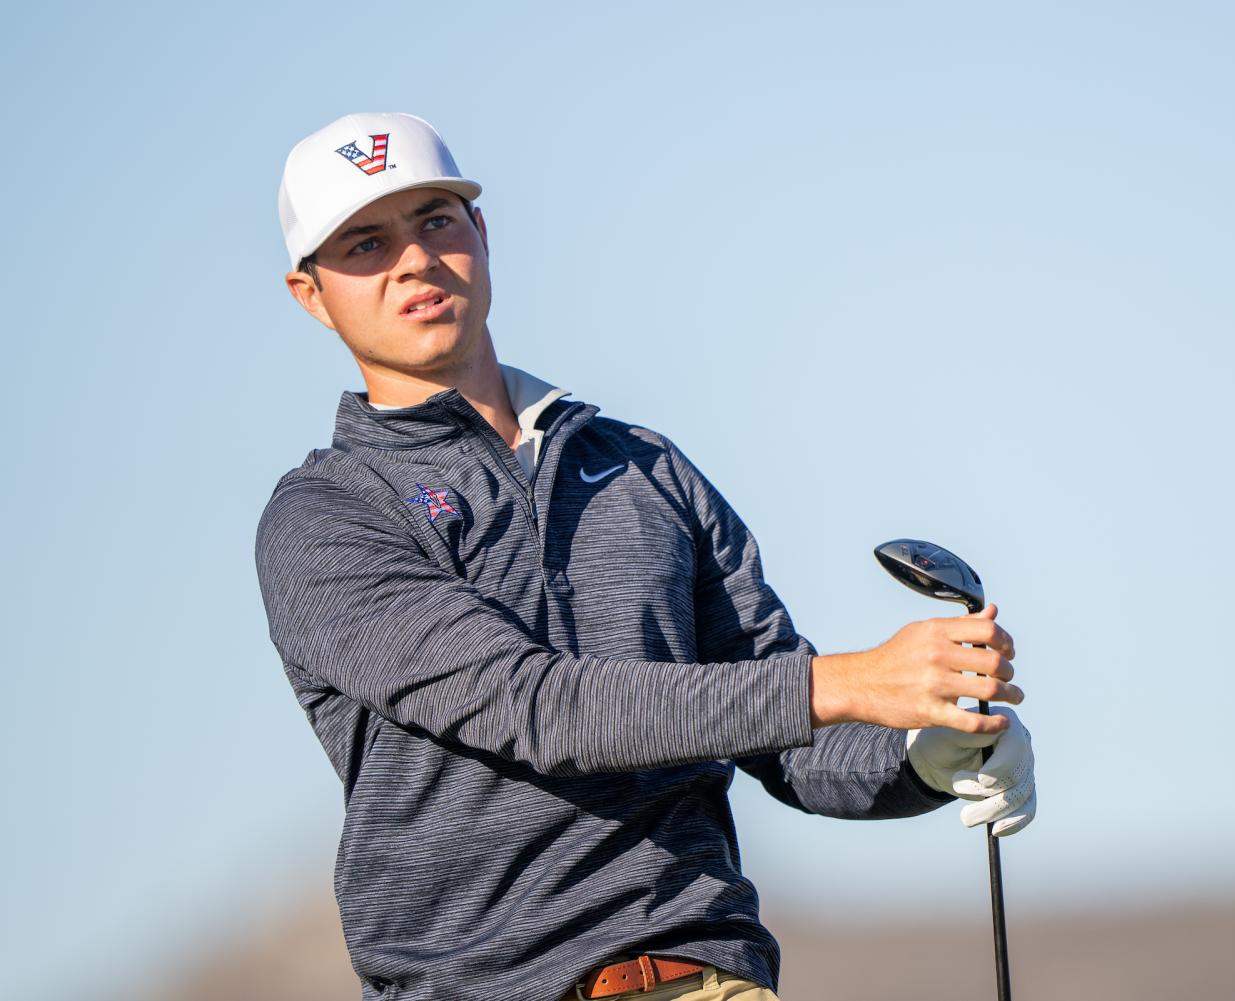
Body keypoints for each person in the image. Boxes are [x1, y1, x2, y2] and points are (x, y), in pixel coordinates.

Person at [255, 112, 1037, 1001]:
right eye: (364, 243)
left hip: (701, 972)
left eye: (436, 219)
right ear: (309, 294)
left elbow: (781, 727)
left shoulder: (643, 467)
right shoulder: (324, 516)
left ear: (481, 232)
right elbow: (535, 707)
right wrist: (850, 682)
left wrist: (919, 756)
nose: (413, 259)